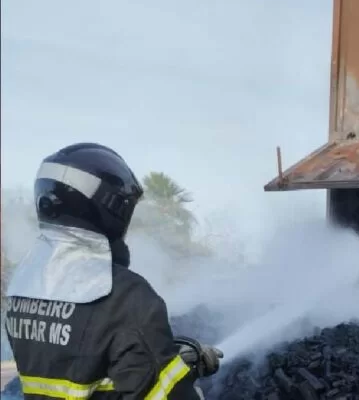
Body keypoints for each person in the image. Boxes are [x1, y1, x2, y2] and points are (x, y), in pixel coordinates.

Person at [3, 143, 222, 399]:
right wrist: (188, 380)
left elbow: (82, 361)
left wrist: (162, 356)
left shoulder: (22, 290)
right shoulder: (127, 297)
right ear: (111, 209)